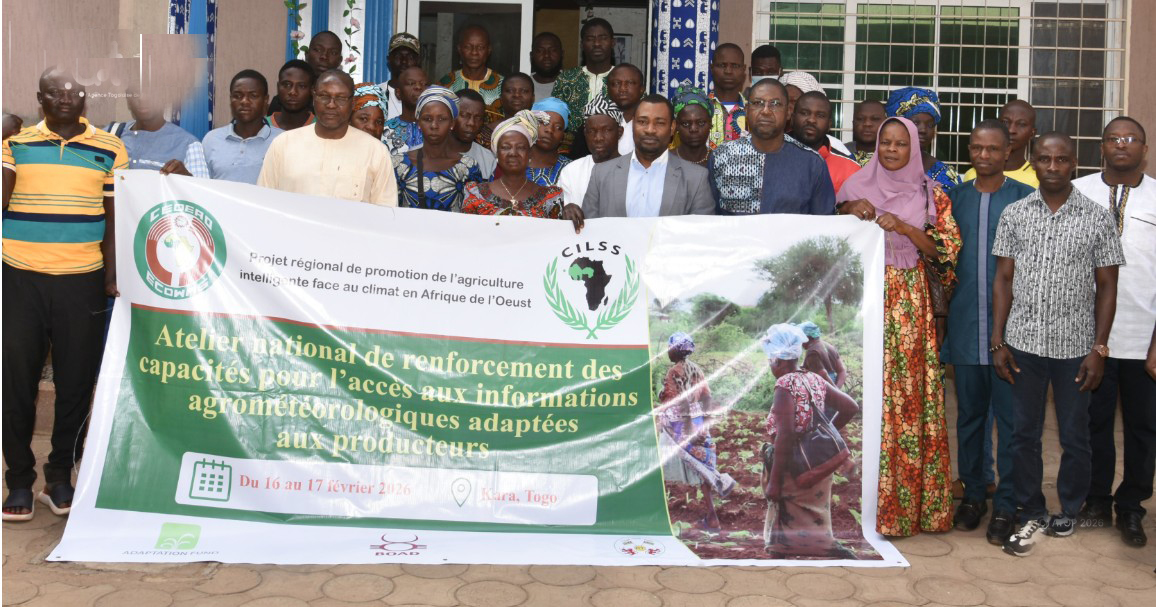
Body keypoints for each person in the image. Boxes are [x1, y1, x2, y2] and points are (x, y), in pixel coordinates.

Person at [2, 67, 128, 521]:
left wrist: (112, 275)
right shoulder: (15, 143)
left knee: (75, 382)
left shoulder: (110, 148)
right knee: (16, 382)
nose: (65, 97)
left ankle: (58, 477)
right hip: (20, 277)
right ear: (40, 99)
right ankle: (19, 480)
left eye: (74, 91)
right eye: (55, 92)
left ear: (85, 98)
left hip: (83, 280)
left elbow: (115, 218)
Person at [990, 132, 1123, 557]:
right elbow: (1003, 279)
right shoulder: (1015, 213)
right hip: (1023, 344)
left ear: (1074, 163)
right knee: (1023, 435)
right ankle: (1031, 507)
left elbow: (1107, 286)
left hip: (1076, 349)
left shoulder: (1097, 217)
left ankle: (1069, 507)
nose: (1052, 166)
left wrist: (1099, 349)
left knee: (1075, 436)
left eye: (1061, 159)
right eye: (1045, 159)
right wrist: (998, 339)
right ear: (1033, 161)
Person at [836, 116, 961, 536]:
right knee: (861, 392)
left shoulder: (931, 194)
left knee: (905, 398)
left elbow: (945, 252)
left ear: (914, 149)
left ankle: (905, 510)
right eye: (885, 142)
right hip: (860, 302)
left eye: (900, 144)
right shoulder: (854, 187)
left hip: (908, 306)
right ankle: (856, 507)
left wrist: (905, 227)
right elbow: (829, 236)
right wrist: (847, 210)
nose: (891, 150)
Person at [941, 120, 1035, 544]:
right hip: (965, 327)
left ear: (1007, 152)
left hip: (1013, 334)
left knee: (1013, 422)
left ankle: (1008, 504)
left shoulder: (1025, 199)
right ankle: (974, 496)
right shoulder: (953, 198)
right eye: (977, 148)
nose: (984, 155)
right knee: (969, 418)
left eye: (993, 149)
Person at [1073, 117, 1155, 548]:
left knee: (1144, 427)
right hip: (1086, 339)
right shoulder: (1077, 192)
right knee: (1092, 423)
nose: (1122, 144)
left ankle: (1132, 505)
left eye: (1131, 139)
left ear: (1144, 149)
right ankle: (1097, 499)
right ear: (1101, 147)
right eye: (1113, 138)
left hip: (1144, 338)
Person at [761, 323, 860, 558]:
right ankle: (825, 546)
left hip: (793, 463)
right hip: (816, 462)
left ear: (779, 360)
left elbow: (785, 435)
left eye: (771, 360)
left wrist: (774, 481)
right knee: (815, 513)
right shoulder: (814, 378)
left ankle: (782, 554)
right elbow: (850, 407)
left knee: (784, 513)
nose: (771, 365)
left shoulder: (784, 385)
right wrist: (823, 435)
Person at [257, 70, 397, 206]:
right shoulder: (283, 144)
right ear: (314, 98)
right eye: (324, 96)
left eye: (341, 98)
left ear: (352, 103)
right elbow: (264, 203)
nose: (331, 104)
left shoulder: (375, 151)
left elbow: (386, 212)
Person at [711, 79, 834, 216]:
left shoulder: (812, 164)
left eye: (775, 104)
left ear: (788, 112)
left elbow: (824, 224)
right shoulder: (721, 156)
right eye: (758, 103)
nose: (766, 111)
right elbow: (710, 219)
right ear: (746, 110)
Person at [583, 95, 714, 218]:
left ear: (672, 127)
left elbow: (701, 231)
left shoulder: (696, 179)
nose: (650, 130)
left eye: (660, 123)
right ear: (633, 124)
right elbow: (589, 228)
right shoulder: (601, 174)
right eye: (642, 122)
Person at [461, 110, 584, 231]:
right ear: (497, 153)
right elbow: (466, 236)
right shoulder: (475, 194)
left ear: (530, 154)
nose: (513, 153)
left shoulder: (551, 198)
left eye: (521, 148)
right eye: (505, 147)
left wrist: (568, 212)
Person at [657, 332, 724, 533]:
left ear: (675, 350)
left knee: (659, 464)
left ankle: (658, 514)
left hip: (679, 424)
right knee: (701, 466)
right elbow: (706, 397)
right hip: (696, 421)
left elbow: (676, 401)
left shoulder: (673, 372)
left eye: (669, 348)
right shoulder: (697, 370)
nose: (667, 352)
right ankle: (712, 516)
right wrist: (704, 424)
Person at [392, 87, 482, 212]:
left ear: (452, 123)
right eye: (427, 119)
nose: (434, 125)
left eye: (442, 119)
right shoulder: (398, 163)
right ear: (418, 123)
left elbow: (474, 213)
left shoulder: (468, 166)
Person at [201, 70, 284, 184]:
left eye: (253, 96)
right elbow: (201, 185)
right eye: (237, 96)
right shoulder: (211, 139)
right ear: (231, 99)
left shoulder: (282, 140)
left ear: (265, 100)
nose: (244, 101)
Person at [109, 85, 206, 178]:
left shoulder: (189, 144)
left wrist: (185, 178)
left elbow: (202, 188)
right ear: (128, 101)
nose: (142, 98)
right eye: (136, 93)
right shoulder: (111, 134)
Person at [553, 18, 615, 148]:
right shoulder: (565, 79)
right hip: (571, 153)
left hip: (616, 151)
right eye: (590, 39)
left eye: (603, 38)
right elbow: (554, 118)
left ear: (612, 42)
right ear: (582, 45)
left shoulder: (625, 79)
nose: (597, 43)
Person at [885, 86, 961, 189]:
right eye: (915, 123)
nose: (923, 130)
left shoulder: (945, 175)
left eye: (930, 125)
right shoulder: (869, 167)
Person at [557, 96, 623, 211]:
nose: (598, 138)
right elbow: (558, 208)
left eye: (606, 130)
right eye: (592, 131)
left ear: (619, 132)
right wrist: (566, 210)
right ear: (584, 133)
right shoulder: (571, 171)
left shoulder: (632, 170)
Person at [790, 91, 860, 193]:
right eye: (804, 113)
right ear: (792, 119)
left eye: (820, 115)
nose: (811, 120)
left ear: (829, 125)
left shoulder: (850, 169)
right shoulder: (772, 157)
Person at [964, 100, 1038, 188]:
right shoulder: (972, 174)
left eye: (1021, 124)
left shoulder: (1038, 179)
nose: (1011, 130)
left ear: (1032, 133)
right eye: (1005, 122)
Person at [267, 31, 342, 116]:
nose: (324, 56)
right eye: (318, 50)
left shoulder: (345, 101)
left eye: (333, 53)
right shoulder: (283, 102)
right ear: (307, 55)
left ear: (340, 61)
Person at [437, 25, 503, 105]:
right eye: (468, 47)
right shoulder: (445, 85)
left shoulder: (503, 86)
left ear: (489, 50)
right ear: (459, 49)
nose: (474, 52)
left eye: (480, 47)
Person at [706, 43, 748, 149]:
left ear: (743, 69)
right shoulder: (700, 108)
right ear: (712, 68)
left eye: (735, 66)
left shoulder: (752, 110)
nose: (728, 71)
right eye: (722, 65)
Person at [477, 73, 535, 149]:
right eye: (510, 91)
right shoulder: (483, 135)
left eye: (524, 91)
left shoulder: (542, 134)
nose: (517, 95)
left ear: (533, 98)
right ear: (501, 98)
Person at [523, 97, 571, 186]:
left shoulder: (570, 169)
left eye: (558, 127)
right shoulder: (511, 161)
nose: (550, 130)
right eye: (544, 122)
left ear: (563, 136)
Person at [450, 89, 497, 179]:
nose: (471, 123)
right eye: (464, 115)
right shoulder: (428, 154)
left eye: (478, 118)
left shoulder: (488, 159)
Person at [382, 66, 428, 154]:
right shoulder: (384, 131)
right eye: (411, 83)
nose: (418, 87)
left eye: (424, 84)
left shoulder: (437, 129)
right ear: (398, 93)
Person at [670, 87, 713, 169]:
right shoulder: (665, 161)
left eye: (701, 123)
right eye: (686, 124)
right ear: (676, 126)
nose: (693, 129)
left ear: (710, 123)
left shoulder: (719, 161)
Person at [267, 59, 316, 131]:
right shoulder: (261, 127)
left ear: (312, 90)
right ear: (278, 87)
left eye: (301, 86)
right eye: (287, 85)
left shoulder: (321, 128)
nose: (293, 92)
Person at [607, 63, 644, 154]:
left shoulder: (652, 122)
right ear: (608, 89)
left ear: (642, 89)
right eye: (617, 83)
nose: (623, 89)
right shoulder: (596, 122)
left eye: (630, 83)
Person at [383, 33, 421, 120]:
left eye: (410, 57)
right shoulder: (377, 94)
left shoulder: (425, 96)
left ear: (418, 61)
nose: (404, 61)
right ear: (389, 59)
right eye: (398, 56)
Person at [797, 321, 847, 388]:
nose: (800, 341)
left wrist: (835, 391)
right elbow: (842, 371)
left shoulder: (812, 352)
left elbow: (823, 374)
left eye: (801, 338)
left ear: (807, 337)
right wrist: (838, 389)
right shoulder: (829, 346)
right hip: (832, 389)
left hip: (823, 390)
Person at [845, 100, 886, 167]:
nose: (867, 124)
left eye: (875, 119)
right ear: (853, 123)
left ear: (886, 123)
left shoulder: (895, 156)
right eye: (860, 119)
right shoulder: (839, 153)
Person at [530, 32, 563, 100]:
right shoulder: (522, 86)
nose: (546, 55)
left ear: (562, 54)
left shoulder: (572, 85)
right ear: (531, 55)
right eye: (540, 51)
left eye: (553, 50)